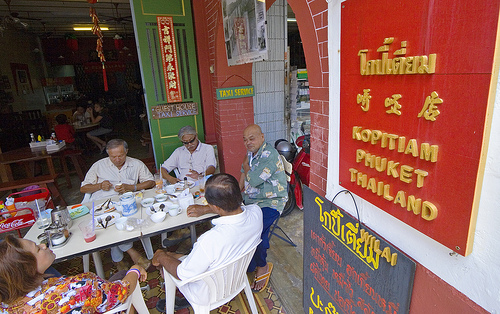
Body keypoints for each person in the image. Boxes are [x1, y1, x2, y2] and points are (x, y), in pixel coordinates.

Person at [152, 173, 263, 308]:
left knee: (164, 257)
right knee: (171, 256)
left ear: (215, 207)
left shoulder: (209, 240)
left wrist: (161, 256)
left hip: (207, 293)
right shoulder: (257, 212)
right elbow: (242, 208)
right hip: (237, 276)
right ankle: (169, 256)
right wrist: (206, 209)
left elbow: (182, 274)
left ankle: (175, 295)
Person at [0, 235, 147, 313]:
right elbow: (121, 291)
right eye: (38, 249)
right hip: (107, 299)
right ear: (28, 269)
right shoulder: (76, 288)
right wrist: (135, 269)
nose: (44, 245)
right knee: (124, 277)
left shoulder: (4, 306)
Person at [80, 139, 155, 270]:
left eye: (120, 155)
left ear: (127, 151)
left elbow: (150, 182)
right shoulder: (98, 165)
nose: (117, 159)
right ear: (108, 154)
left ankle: (117, 259)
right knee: (113, 219)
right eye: (113, 157)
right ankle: (133, 253)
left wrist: (132, 187)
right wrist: (99, 185)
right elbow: (83, 188)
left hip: (127, 201)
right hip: (104, 204)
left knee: (120, 218)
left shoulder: (136, 164)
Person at [239, 124, 288, 292]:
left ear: (262, 137)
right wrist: (237, 195)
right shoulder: (251, 153)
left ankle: (262, 265)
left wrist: (246, 167)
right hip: (252, 201)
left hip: (271, 202)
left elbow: (252, 180)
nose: (248, 142)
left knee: (256, 230)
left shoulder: (269, 154)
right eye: (245, 140)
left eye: (251, 139)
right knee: (236, 223)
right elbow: (242, 176)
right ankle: (250, 261)